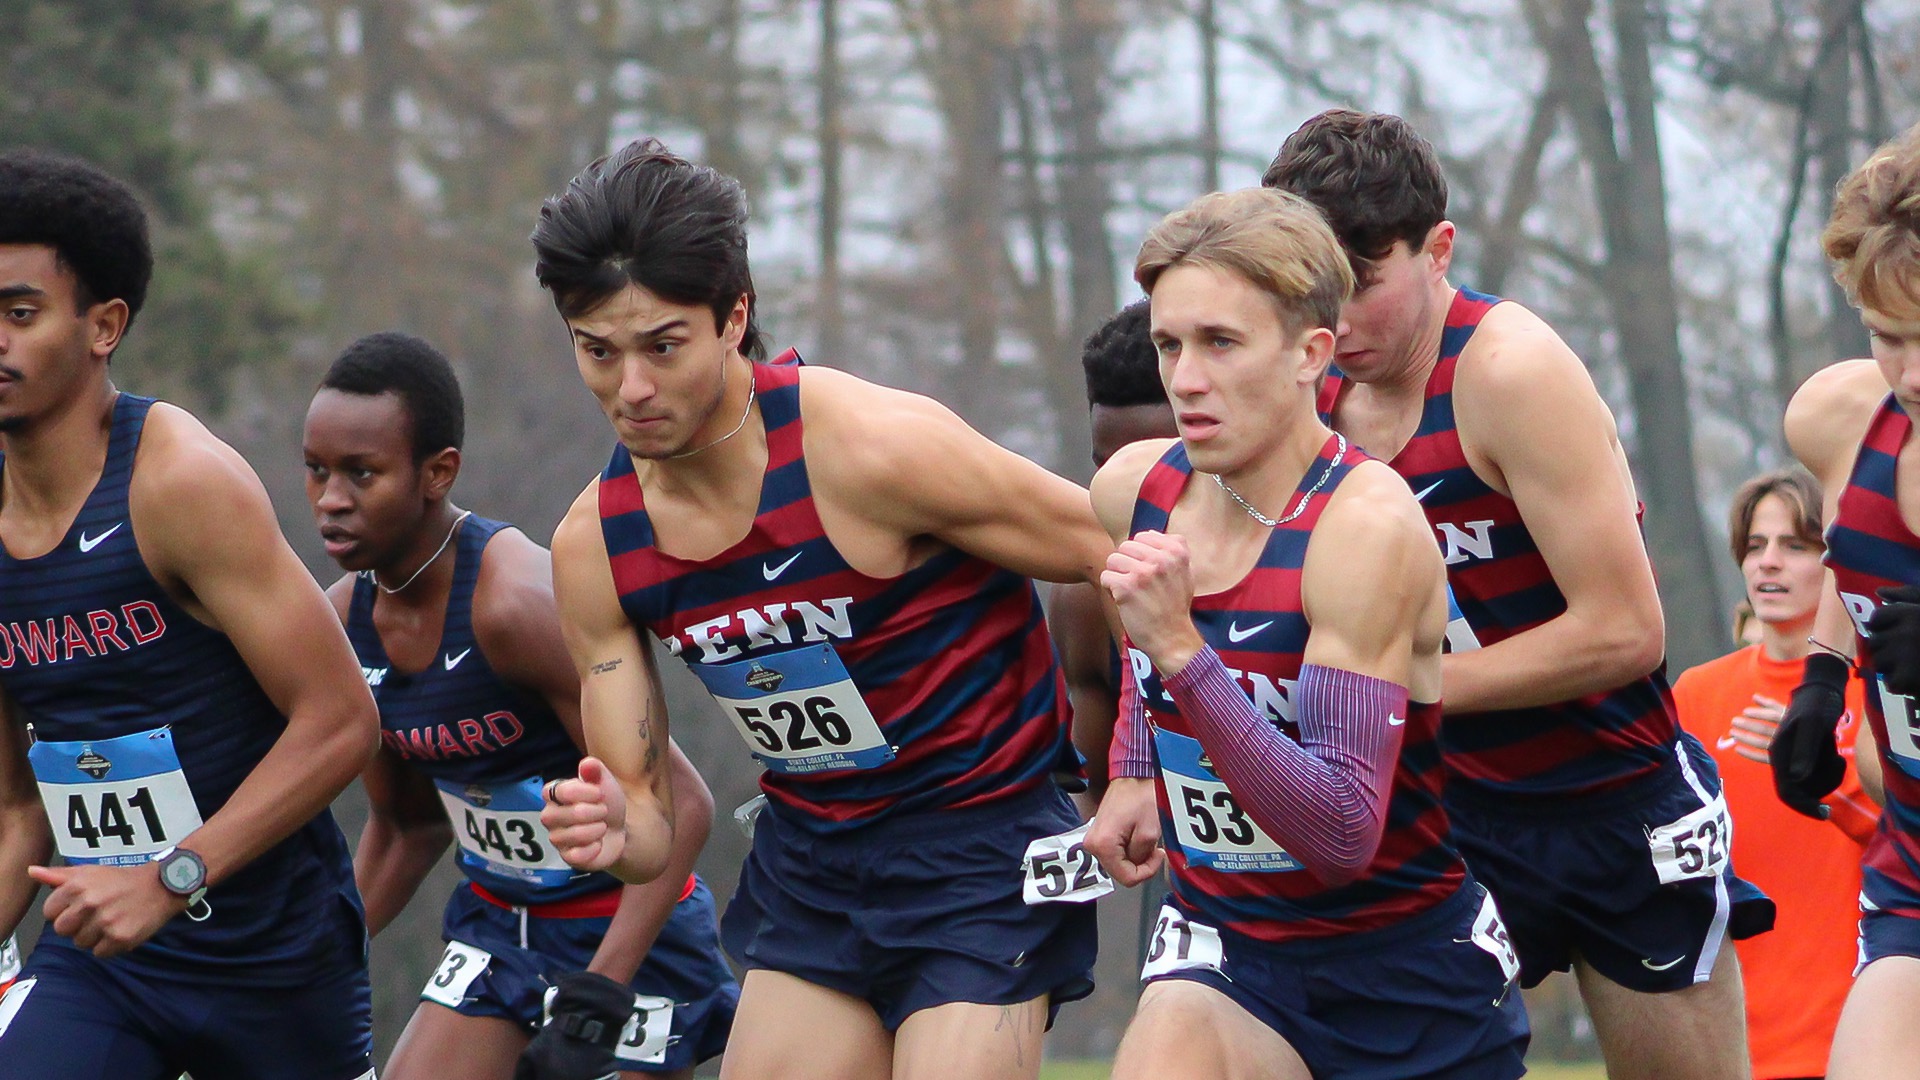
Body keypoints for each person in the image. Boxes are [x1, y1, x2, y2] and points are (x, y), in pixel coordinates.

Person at [531, 139, 1109, 1080]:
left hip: (986, 852)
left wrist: (1138, 764)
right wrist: (611, 832)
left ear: (734, 316)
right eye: (598, 351)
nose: (630, 389)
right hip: (816, 870)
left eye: (663, 346)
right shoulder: (596, 546)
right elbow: (646, 825)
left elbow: (1121, 560)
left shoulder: (869, 447)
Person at [1266, 109, 1771, 1079]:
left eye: (1363, 281)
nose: (1339, 321)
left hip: (1609, 801)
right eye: (1314, 289)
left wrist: (1404, 690)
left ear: (1438, 250)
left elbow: (1625, 632)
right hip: (1445, 814)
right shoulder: (1309, 389)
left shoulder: (1509, 371)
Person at [1085, 186, 1528, 1079]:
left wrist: (1184, 653)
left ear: (1309, 354)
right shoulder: (1137, 488)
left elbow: (1339, 835)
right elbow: (1141, 639)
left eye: (1221, 342)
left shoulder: (1364, 528)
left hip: (1400, 983)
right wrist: (1133, 764)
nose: (1185, 379)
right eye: (1170, 345)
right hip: (1225, 953)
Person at [0, 151, 379, 1079]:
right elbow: (17, 806)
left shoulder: (179, 483)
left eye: (19, 313)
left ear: (104, 326)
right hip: (104, 964)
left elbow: (341, 720)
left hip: (274, 959)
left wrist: (169, 878)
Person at [302, 332, 738, 1080]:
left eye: (362, 474)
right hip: (498, 932)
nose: (331, 500)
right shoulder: (343, 622)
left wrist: (597, 998)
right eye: (316, 470)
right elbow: (407, 827)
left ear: (437, 473)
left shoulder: (515, 606)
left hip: (628, 937)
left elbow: (686, 806)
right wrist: (305, 962)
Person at [1778, 120, 1920, 1080]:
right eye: (1886, 337)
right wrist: (1823, 678)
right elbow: (1852, 549)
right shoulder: (1838, 418)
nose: (1909, 373)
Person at [1673, 468, 1875, 1080]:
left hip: (1857, 1031)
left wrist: (1826, 779)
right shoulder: (1696, 695)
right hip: (1730, 1040)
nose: (1768, 563)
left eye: (1796, 546)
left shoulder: (1878, 695)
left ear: (1836, 566)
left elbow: (1906, 843)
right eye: (1755, 546)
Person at [1047, 298, 1176, 807]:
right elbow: (1097, 795)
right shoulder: (1086, 596)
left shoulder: (1318, 560)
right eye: (1108, 468)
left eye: (1157, 469)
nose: (1127, 496)